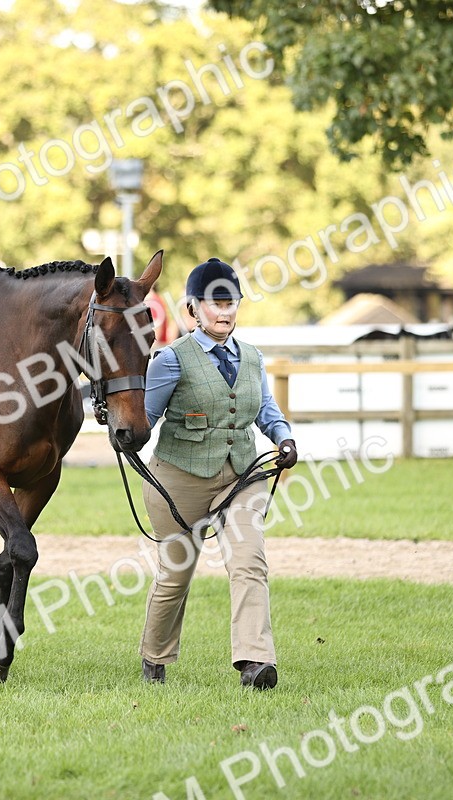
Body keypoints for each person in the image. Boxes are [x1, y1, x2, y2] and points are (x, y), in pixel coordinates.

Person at [139, 257, 297, 691]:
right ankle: (154, 656)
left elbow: (265, 409)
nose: (225, 312)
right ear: (192, 309)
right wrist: (124, 435)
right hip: (178, 479)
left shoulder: (252, 357)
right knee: (175, 575)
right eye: (215, 303)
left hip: (240, 475)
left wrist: (282, 437)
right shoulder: (170, 360)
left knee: (249, 560)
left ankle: (254, 662)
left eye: (232, 303)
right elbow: (144, 421)